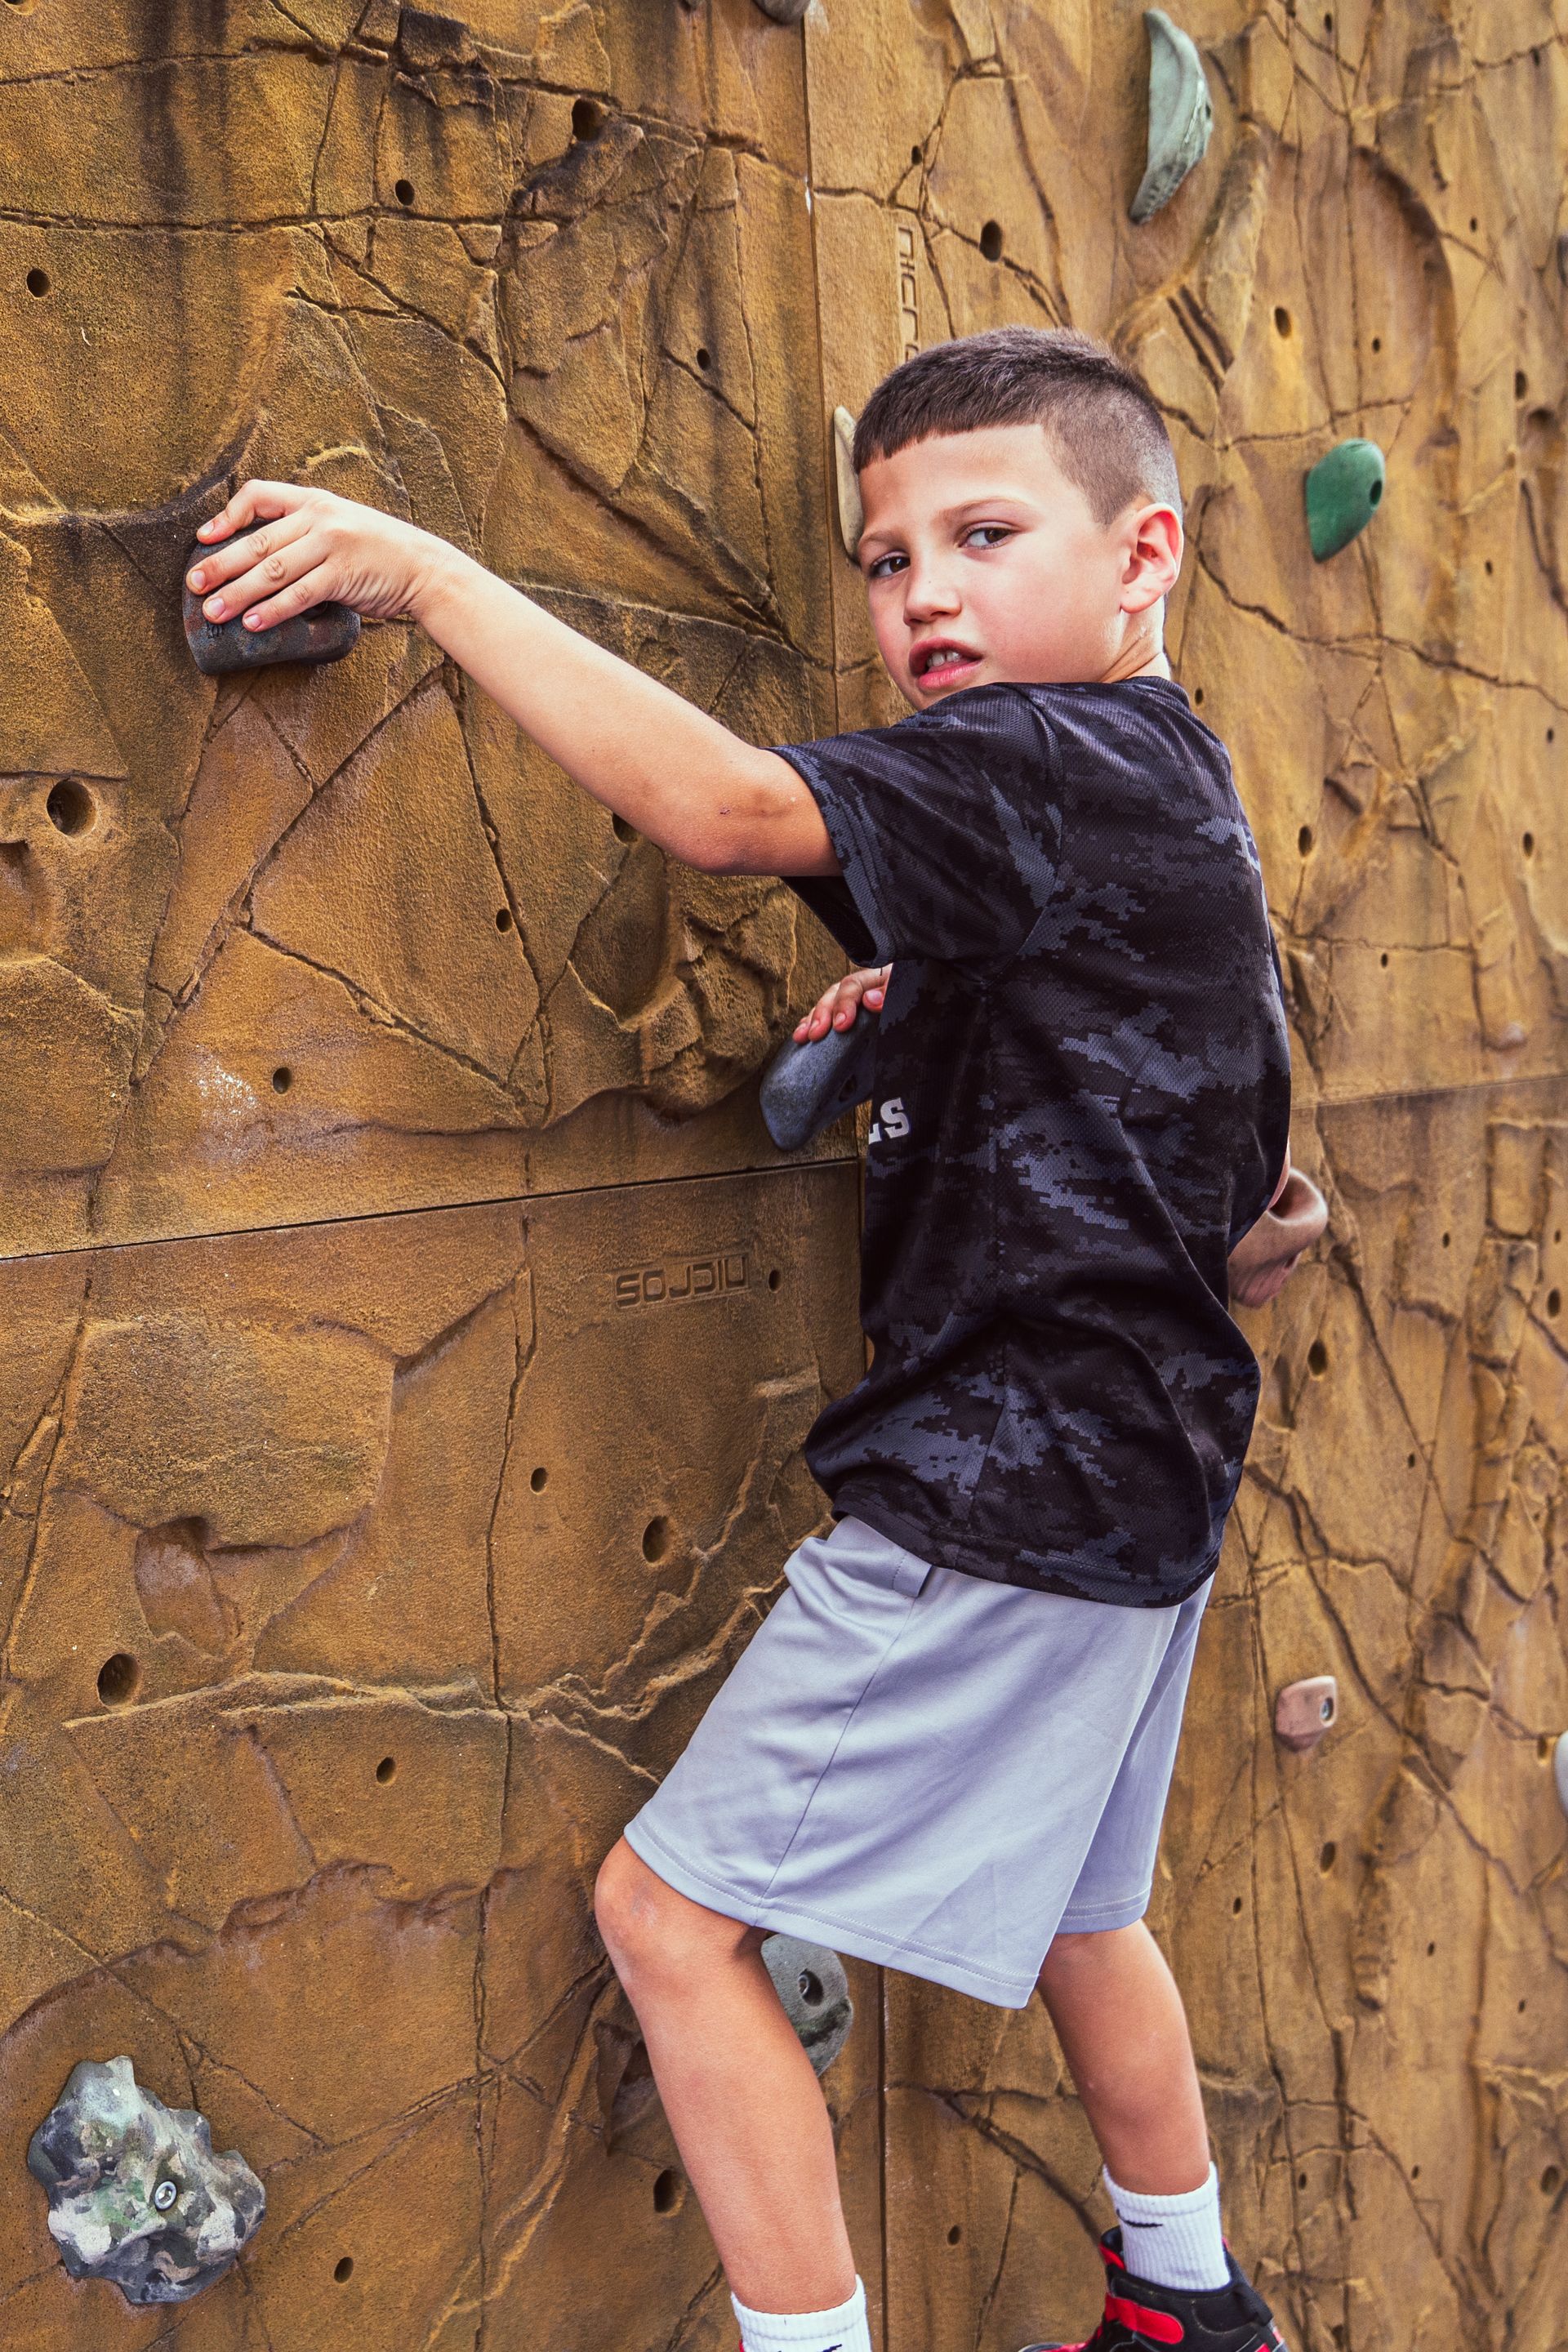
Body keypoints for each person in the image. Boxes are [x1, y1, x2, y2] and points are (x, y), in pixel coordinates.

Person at [186, 325, 1325, 2352]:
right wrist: (925, 1010)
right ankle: (1190, 2304)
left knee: (670, 1923)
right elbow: (1189, 1060)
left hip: (1006, 1491)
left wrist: (425, 573)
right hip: (1144, 1471)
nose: (925, 596)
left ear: (1145, 551)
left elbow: (718, 813)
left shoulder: (1046, 759)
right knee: (1080, 1909)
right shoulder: (1166, 772)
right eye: (886, 563)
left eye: (984, 534)